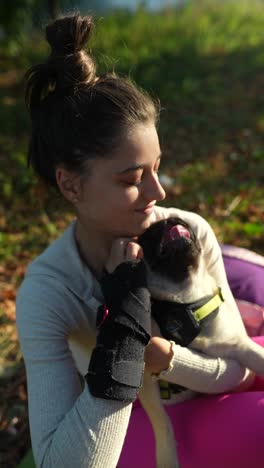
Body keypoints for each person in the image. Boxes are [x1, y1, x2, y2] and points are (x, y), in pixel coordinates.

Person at [16, 13, 264, 468]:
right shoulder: (48, 294)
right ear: (71, 186)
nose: (159, 193)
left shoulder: (186, 230)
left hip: (208, 376)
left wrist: (167, 358)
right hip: (143, 418)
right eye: (133, 179)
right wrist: (125, 336)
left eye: (157, 168)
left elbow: (238, 371)